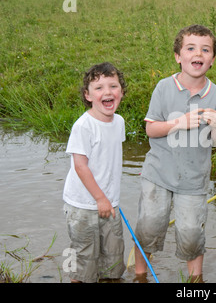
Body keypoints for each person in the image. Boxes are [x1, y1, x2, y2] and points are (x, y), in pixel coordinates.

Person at [134, 24, 216, 283]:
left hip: (194, 179)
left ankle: (195, 282)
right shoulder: (164, 87)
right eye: (190, 48)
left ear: (212, 59)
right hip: (158, 174)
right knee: (149, 225)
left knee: (190, 233)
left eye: (205, 49)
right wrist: (179, 122)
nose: (198, 54)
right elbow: (151, 130)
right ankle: (139, 275)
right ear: (178, 56)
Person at [63, 62, 127, 283]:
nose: (107, 92)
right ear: (87, 95)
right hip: (83, 206)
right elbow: (81, 166)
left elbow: (109, 158)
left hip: (110, 204)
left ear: (121, 92)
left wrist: (109, 197)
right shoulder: (83, 126)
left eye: (113, 86)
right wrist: (100, 198)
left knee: (113, 258)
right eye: (99, 88)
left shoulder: (119, 122)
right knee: (82, 258)